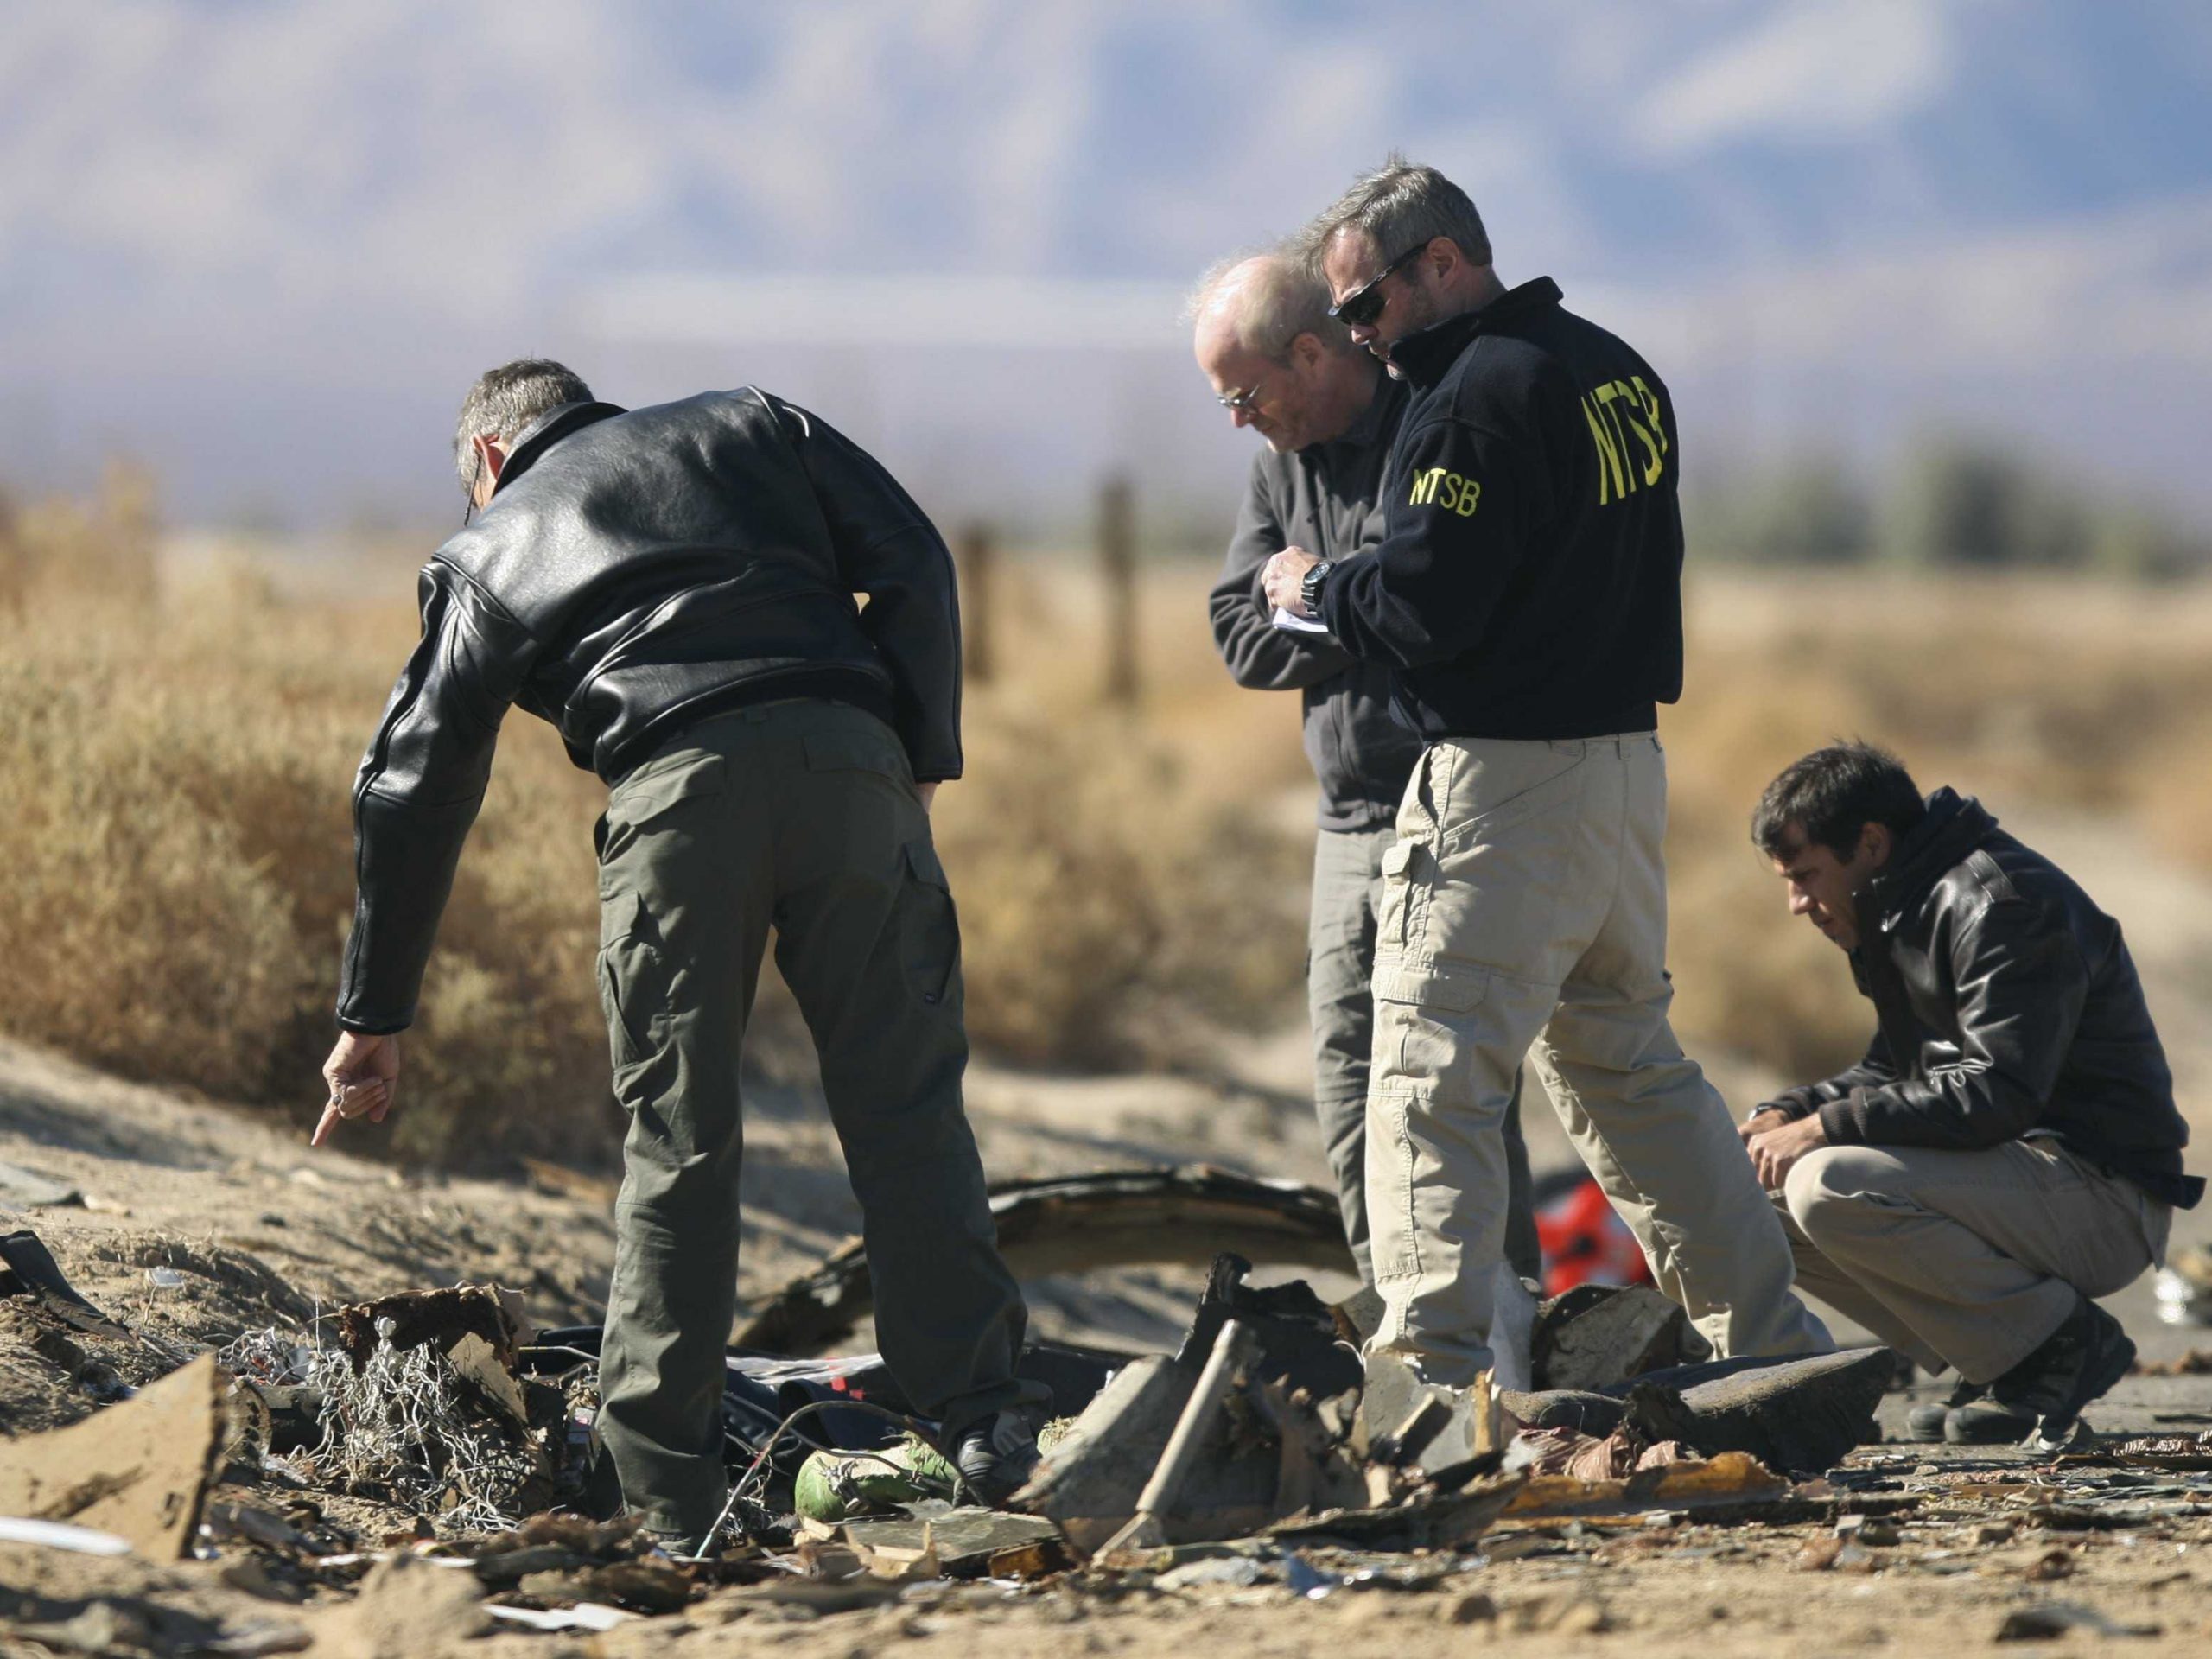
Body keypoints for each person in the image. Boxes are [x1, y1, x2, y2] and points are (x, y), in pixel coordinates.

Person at [314, 359, 1046, 1548]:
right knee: (908, 1108)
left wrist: (375, 1013)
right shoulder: (753, 424)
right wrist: (917, 754)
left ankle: (662, 1493)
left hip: (677, 802)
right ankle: (984, 1428)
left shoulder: (491, 545)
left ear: (490, 463)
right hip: (853, 767)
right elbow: (915, 558)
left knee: (682, 1141)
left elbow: (412, 782)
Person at [1261, 156, 1830, 1385]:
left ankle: (1445, 1384)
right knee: (1632, 1072)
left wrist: (1316, 588)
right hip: (1622, 771)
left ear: (1444, 266)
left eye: (1364, 308)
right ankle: (1774, 1354)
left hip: (1506, 787)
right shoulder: (1616, 369)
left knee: (1427, 1078)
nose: (1359, 339)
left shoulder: (1475, 394)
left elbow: (1429, 603)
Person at [1190, 247, 1541, 1287]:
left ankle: (1507, 1339)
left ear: (1310, 353)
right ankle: (1405, 1326)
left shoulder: (1430, 426)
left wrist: (1318, 592)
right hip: (1344, 827)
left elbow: (1444, 606)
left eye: (1245, 393)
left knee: (1451, 1094)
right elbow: (1236, 632)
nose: (1239, 420)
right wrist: (1364, 597)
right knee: (1350, 1093)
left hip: (1455, 809)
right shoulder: (1277, 465)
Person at [1745, 743, 2201, 1446]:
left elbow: (1997, 1092)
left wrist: (1825, 1129)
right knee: (1759, 1195)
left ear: (1870, 844)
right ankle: (2005, 1364)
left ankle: (2055, 1345)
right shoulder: (1898, 905)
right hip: (2016, 1183)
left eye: (1806, 876)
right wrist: (1794, 1111)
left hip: (2103, 1197)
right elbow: (1898, 1071)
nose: (1797, 904)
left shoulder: (2000, 905)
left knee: (1826, 1183)